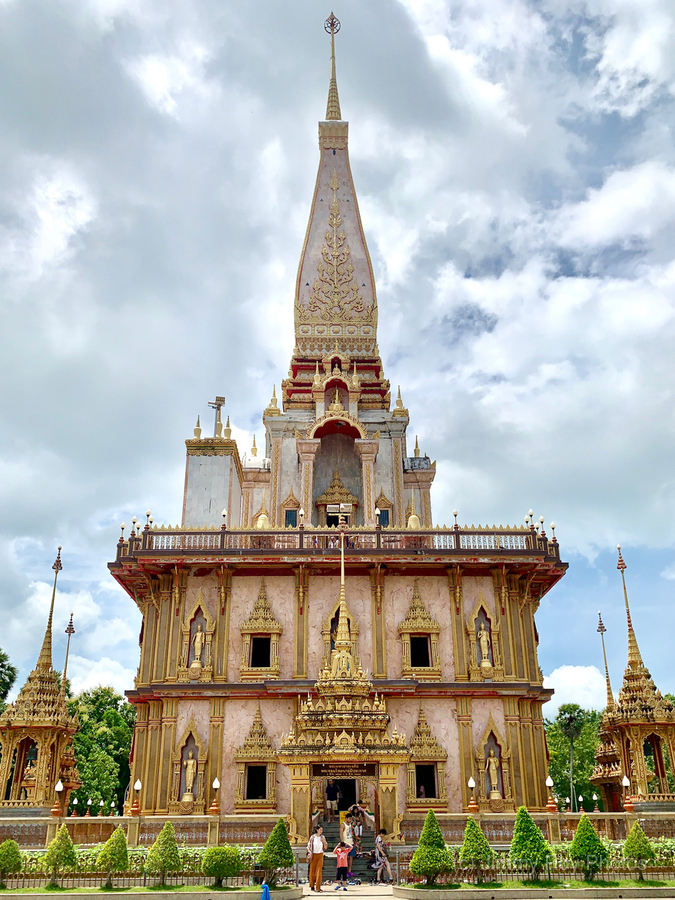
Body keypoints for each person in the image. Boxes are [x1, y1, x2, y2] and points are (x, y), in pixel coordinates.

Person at [307, 825, 328, 892]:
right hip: (314, 854)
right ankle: (312, 885)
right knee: (312, 870)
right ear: (317, 830)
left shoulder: (322, 837)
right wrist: (310, 853)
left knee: (319, 870)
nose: (321, 831)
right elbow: (309, 846)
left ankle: (318, 887)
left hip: (320, 854)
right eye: (320, 830)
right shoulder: (313, 837)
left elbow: (326, 847)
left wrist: (324, 841)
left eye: (322, 830)